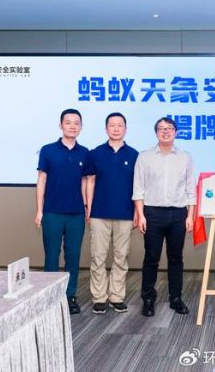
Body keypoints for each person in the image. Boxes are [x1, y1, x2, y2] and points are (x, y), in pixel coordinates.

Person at [132, 117, 196, 317]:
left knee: (176, 258)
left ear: (175, 132)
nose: (165, 131)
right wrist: (141, 215)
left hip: (178, 214)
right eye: (161, 128)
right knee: (151, 258)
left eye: (169, 128)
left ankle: (175, 298)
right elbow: (138, 189)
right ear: (156, 133)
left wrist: (190, 216)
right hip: (152, 213)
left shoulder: (185, 157)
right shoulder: (144, 157)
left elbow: (190, 189)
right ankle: (148, 299)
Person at [35, 108, 89, 315]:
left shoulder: (85, 152)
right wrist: (40, 210)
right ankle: (50, 297)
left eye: (76, 123)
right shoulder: (48, 150)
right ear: (61, 125)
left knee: (73, 256)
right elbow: (41, 180)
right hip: (52, 212)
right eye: (68, 122)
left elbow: (84, 182)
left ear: (81, 127)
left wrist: (86, 207)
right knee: (51, 255)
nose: (72, 126)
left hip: (76, 214)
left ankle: (69, 296)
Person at [85, 112, 139, 314]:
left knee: (121, 257)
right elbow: (90, 182)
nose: (116, 129)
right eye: (112, 125)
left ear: (126, 128)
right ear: (106, 128)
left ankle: (116, 296)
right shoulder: (95, 153)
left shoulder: (134, 155)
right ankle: (99, 297)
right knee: (97, 257)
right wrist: (88, 207)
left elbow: (138, 187)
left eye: (120, 125)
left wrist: (137, 211)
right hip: (99, 213)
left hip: (125, 213)